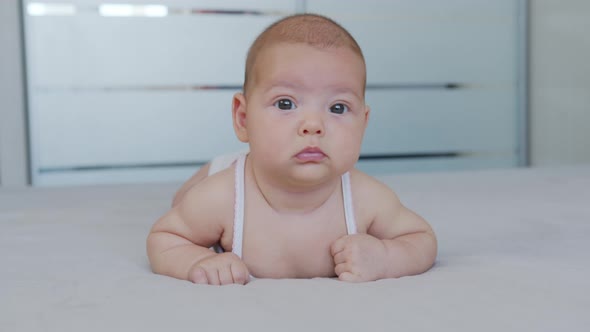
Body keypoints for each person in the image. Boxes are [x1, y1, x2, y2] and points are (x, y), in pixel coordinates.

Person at [146, 13, 437, 285]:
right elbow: (166, 237)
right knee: (184, 201)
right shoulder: (223, 196)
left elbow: (420, 238)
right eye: (285, 103)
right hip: (235, 170)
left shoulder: (365, 198)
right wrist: (198, 259)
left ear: (363, 123)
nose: (313, 125)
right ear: (243, 119)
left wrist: (386, 258)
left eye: (338, 107)